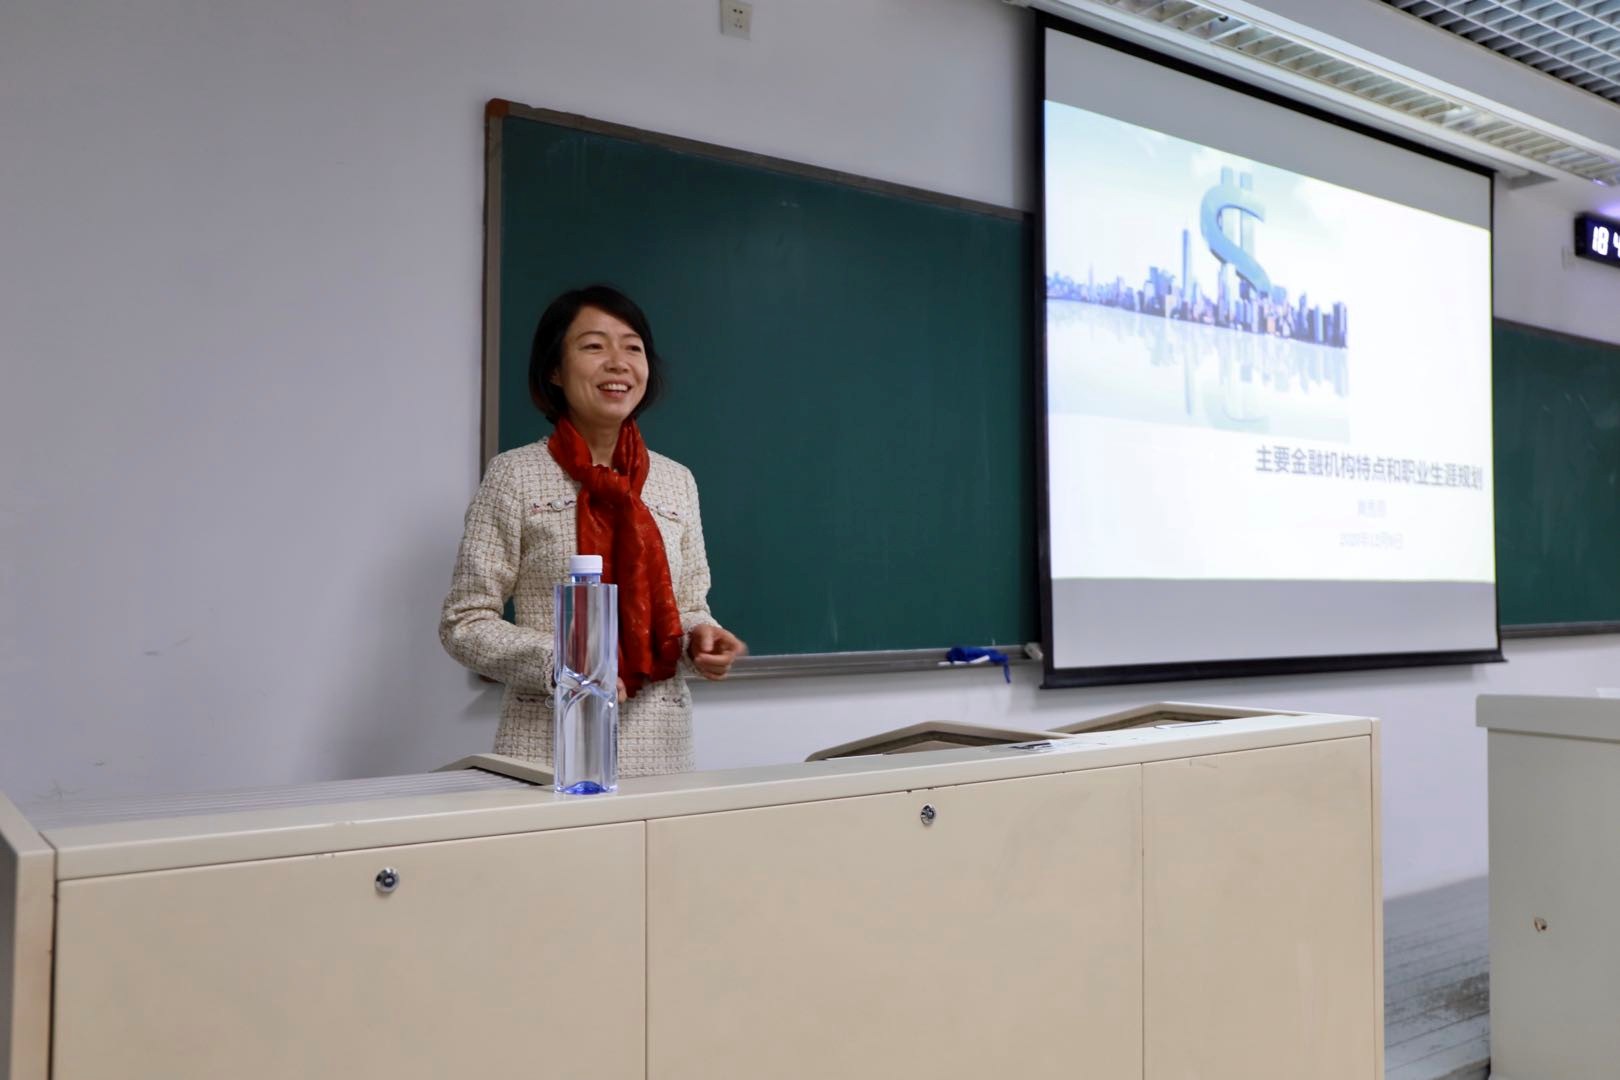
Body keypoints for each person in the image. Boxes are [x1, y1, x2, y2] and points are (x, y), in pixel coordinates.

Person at [440, 285, 746, 777]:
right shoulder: (516, 475)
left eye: (632, 347)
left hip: (662, 753)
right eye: (594, 346)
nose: (618, 363)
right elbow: (465, 622)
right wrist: (564, 662)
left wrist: (701, 639)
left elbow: (689, 607)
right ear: (554, 371)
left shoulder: (676, 481)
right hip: (548, 751)